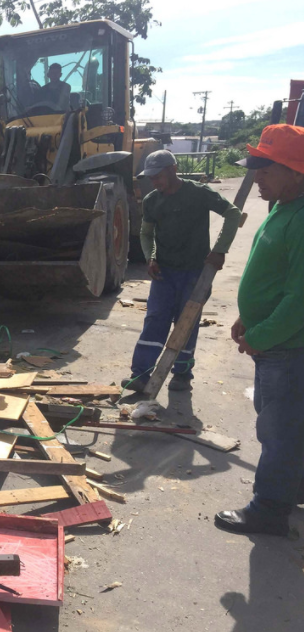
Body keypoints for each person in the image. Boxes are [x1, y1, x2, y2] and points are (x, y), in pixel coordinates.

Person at [216, 124, 304, 536]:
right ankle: (292, 488)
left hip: (286, 349)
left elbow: (298, 299)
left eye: (265, 169)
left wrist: (261, 336)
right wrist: (248, 318)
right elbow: (269, 276)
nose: (256, 178)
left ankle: (269, 509)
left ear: (295, 171)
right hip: (273, 344)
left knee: (279, 431)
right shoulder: (283, 209)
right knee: (281, 424)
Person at [122, 150, 241, 392]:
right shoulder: (152, 200)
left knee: (187, 321)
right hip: (164, 273)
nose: (155, 182)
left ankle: (182, 373)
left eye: (158, 176)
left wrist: (220, 250)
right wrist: (150, 257)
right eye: (151, 178)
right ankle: (141, 374)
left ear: (173, 170)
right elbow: (146, 233)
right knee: (155, 320)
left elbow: (233, 213)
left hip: (195, 272)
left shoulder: (198, 193)